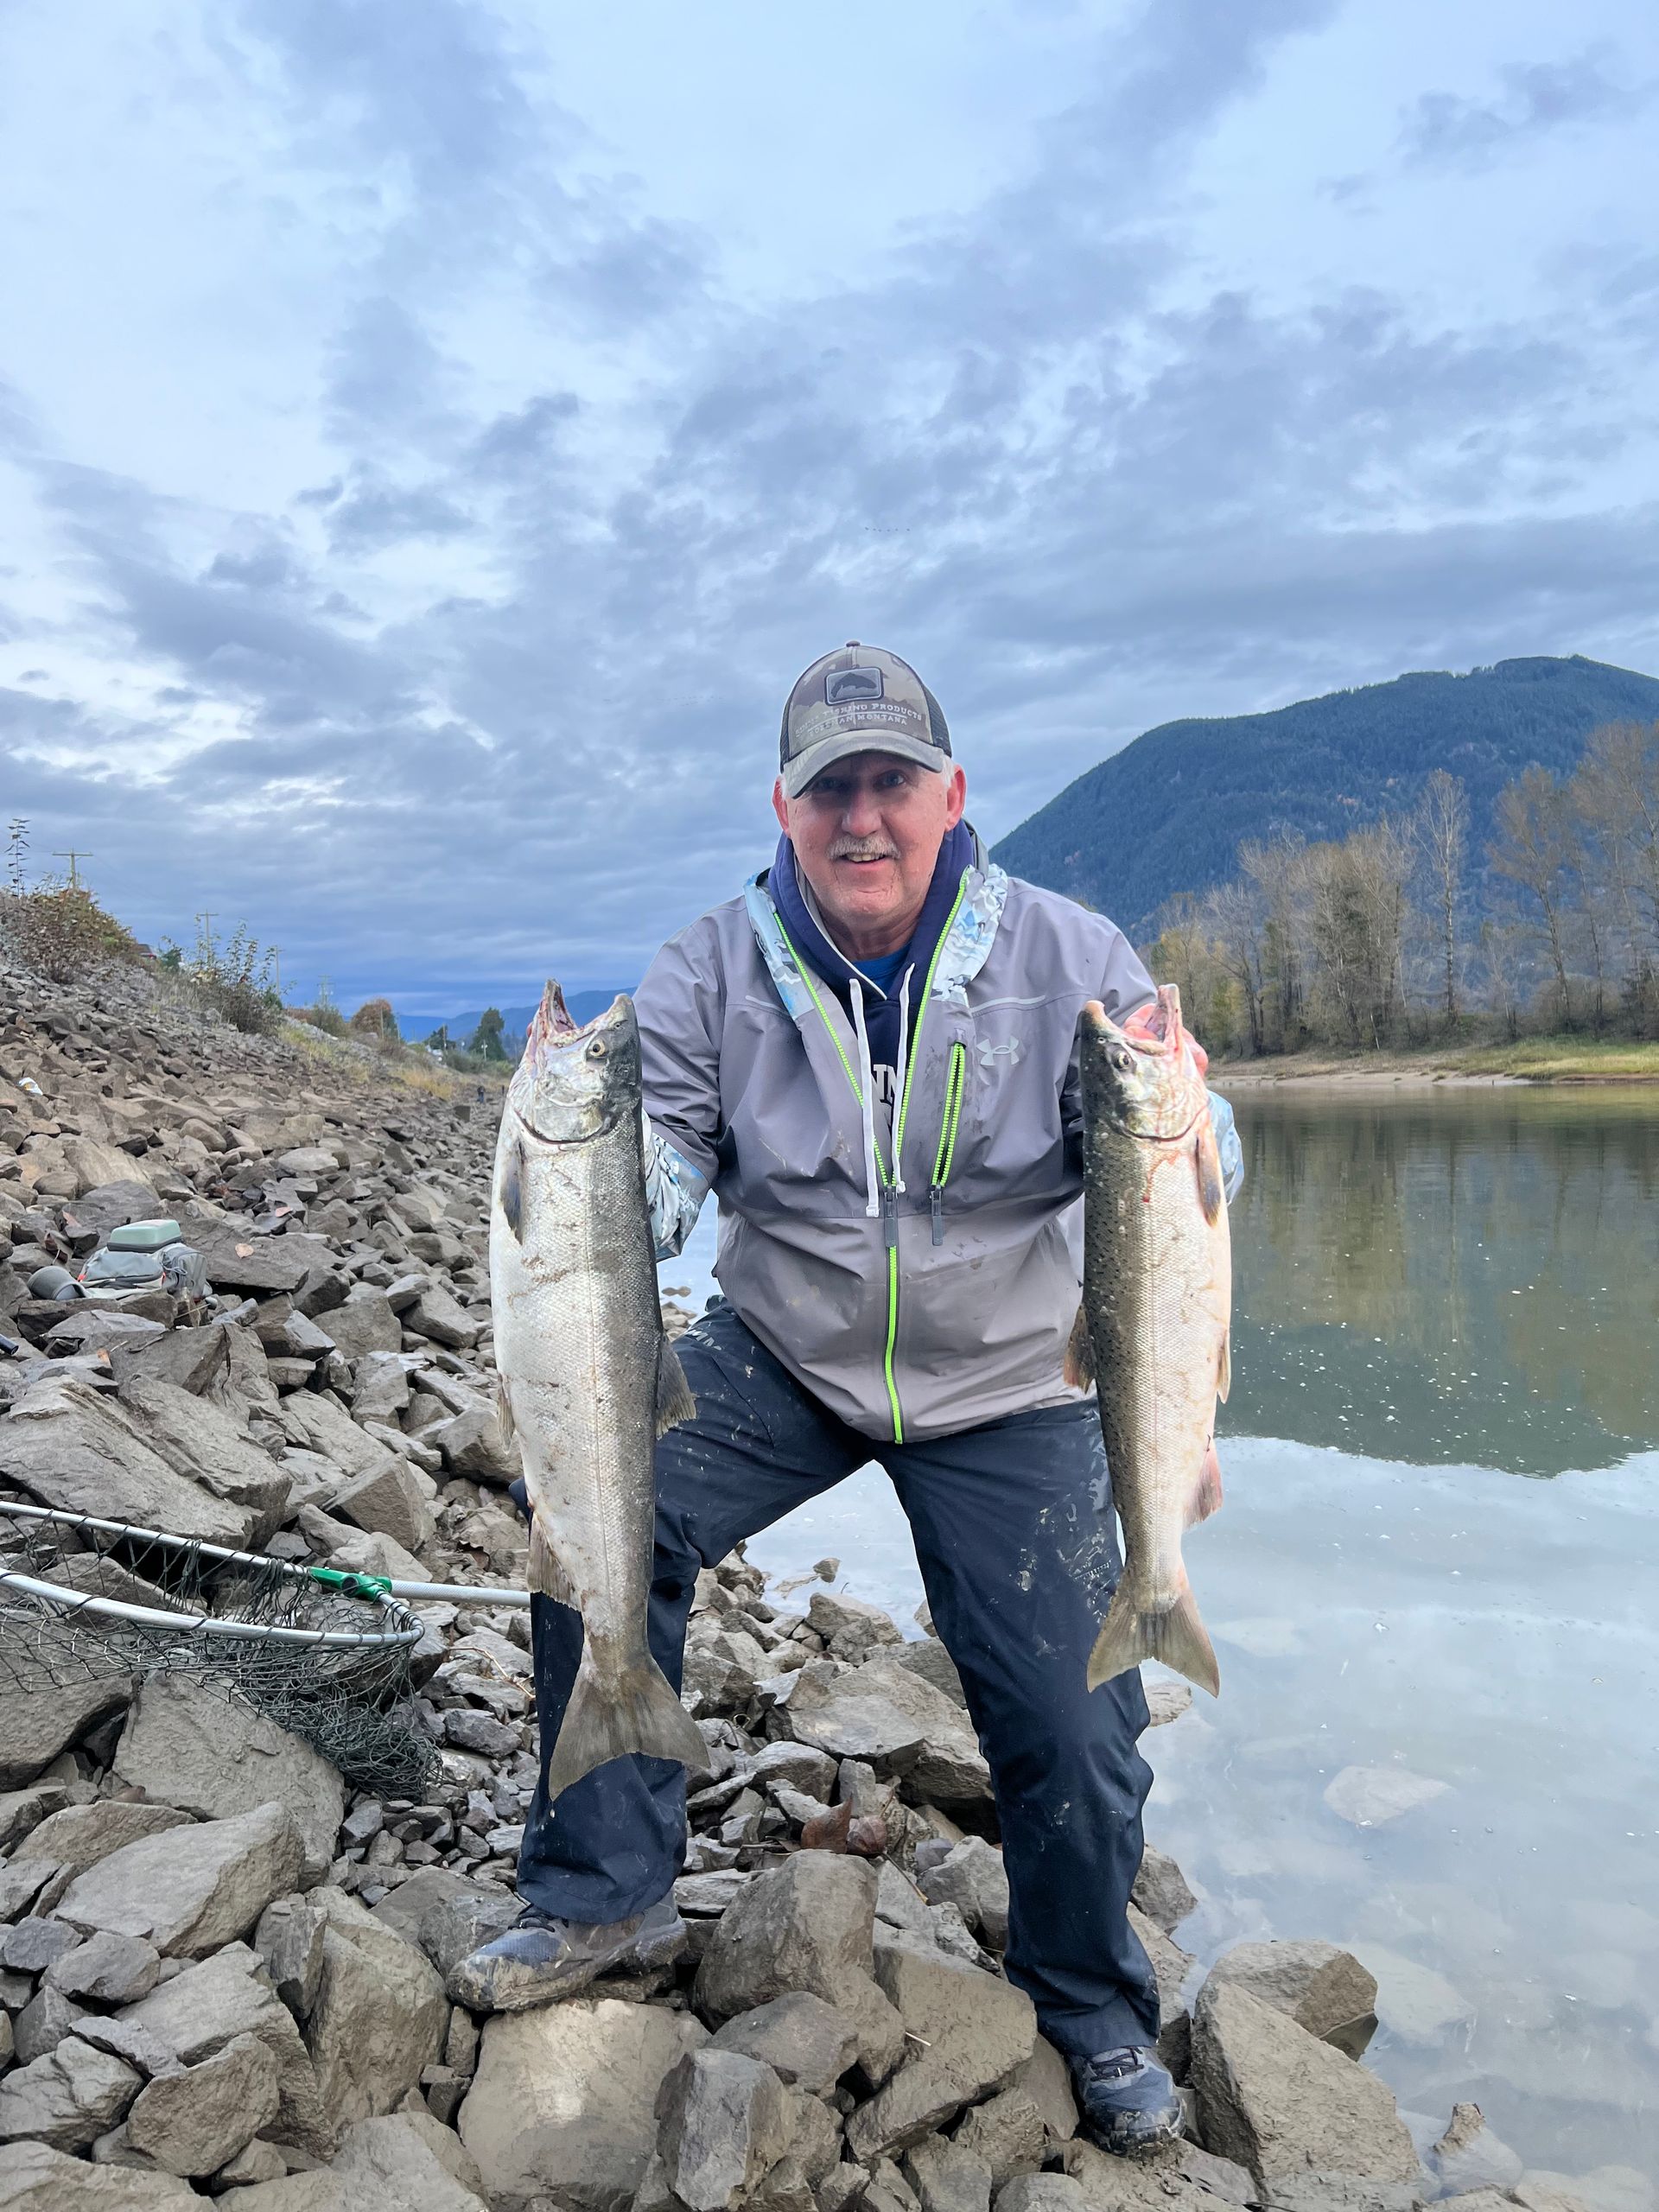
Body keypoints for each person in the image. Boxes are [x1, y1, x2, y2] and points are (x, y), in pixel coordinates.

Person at [454, 643, 1242, 2156]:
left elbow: (1191, 1175)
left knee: (1075, 1718)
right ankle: (597, 1896)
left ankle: (1088, 2001)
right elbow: (667, 1157)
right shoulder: (708, 968)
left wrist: (1200, 1128)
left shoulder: (1071, 956)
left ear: (951, 795)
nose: (863, 819)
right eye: (833, 792)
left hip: (1014, 1382)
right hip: (786, 1353)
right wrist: (623, 1203)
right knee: (590, 1526)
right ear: (785, 806)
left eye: (893, 785)